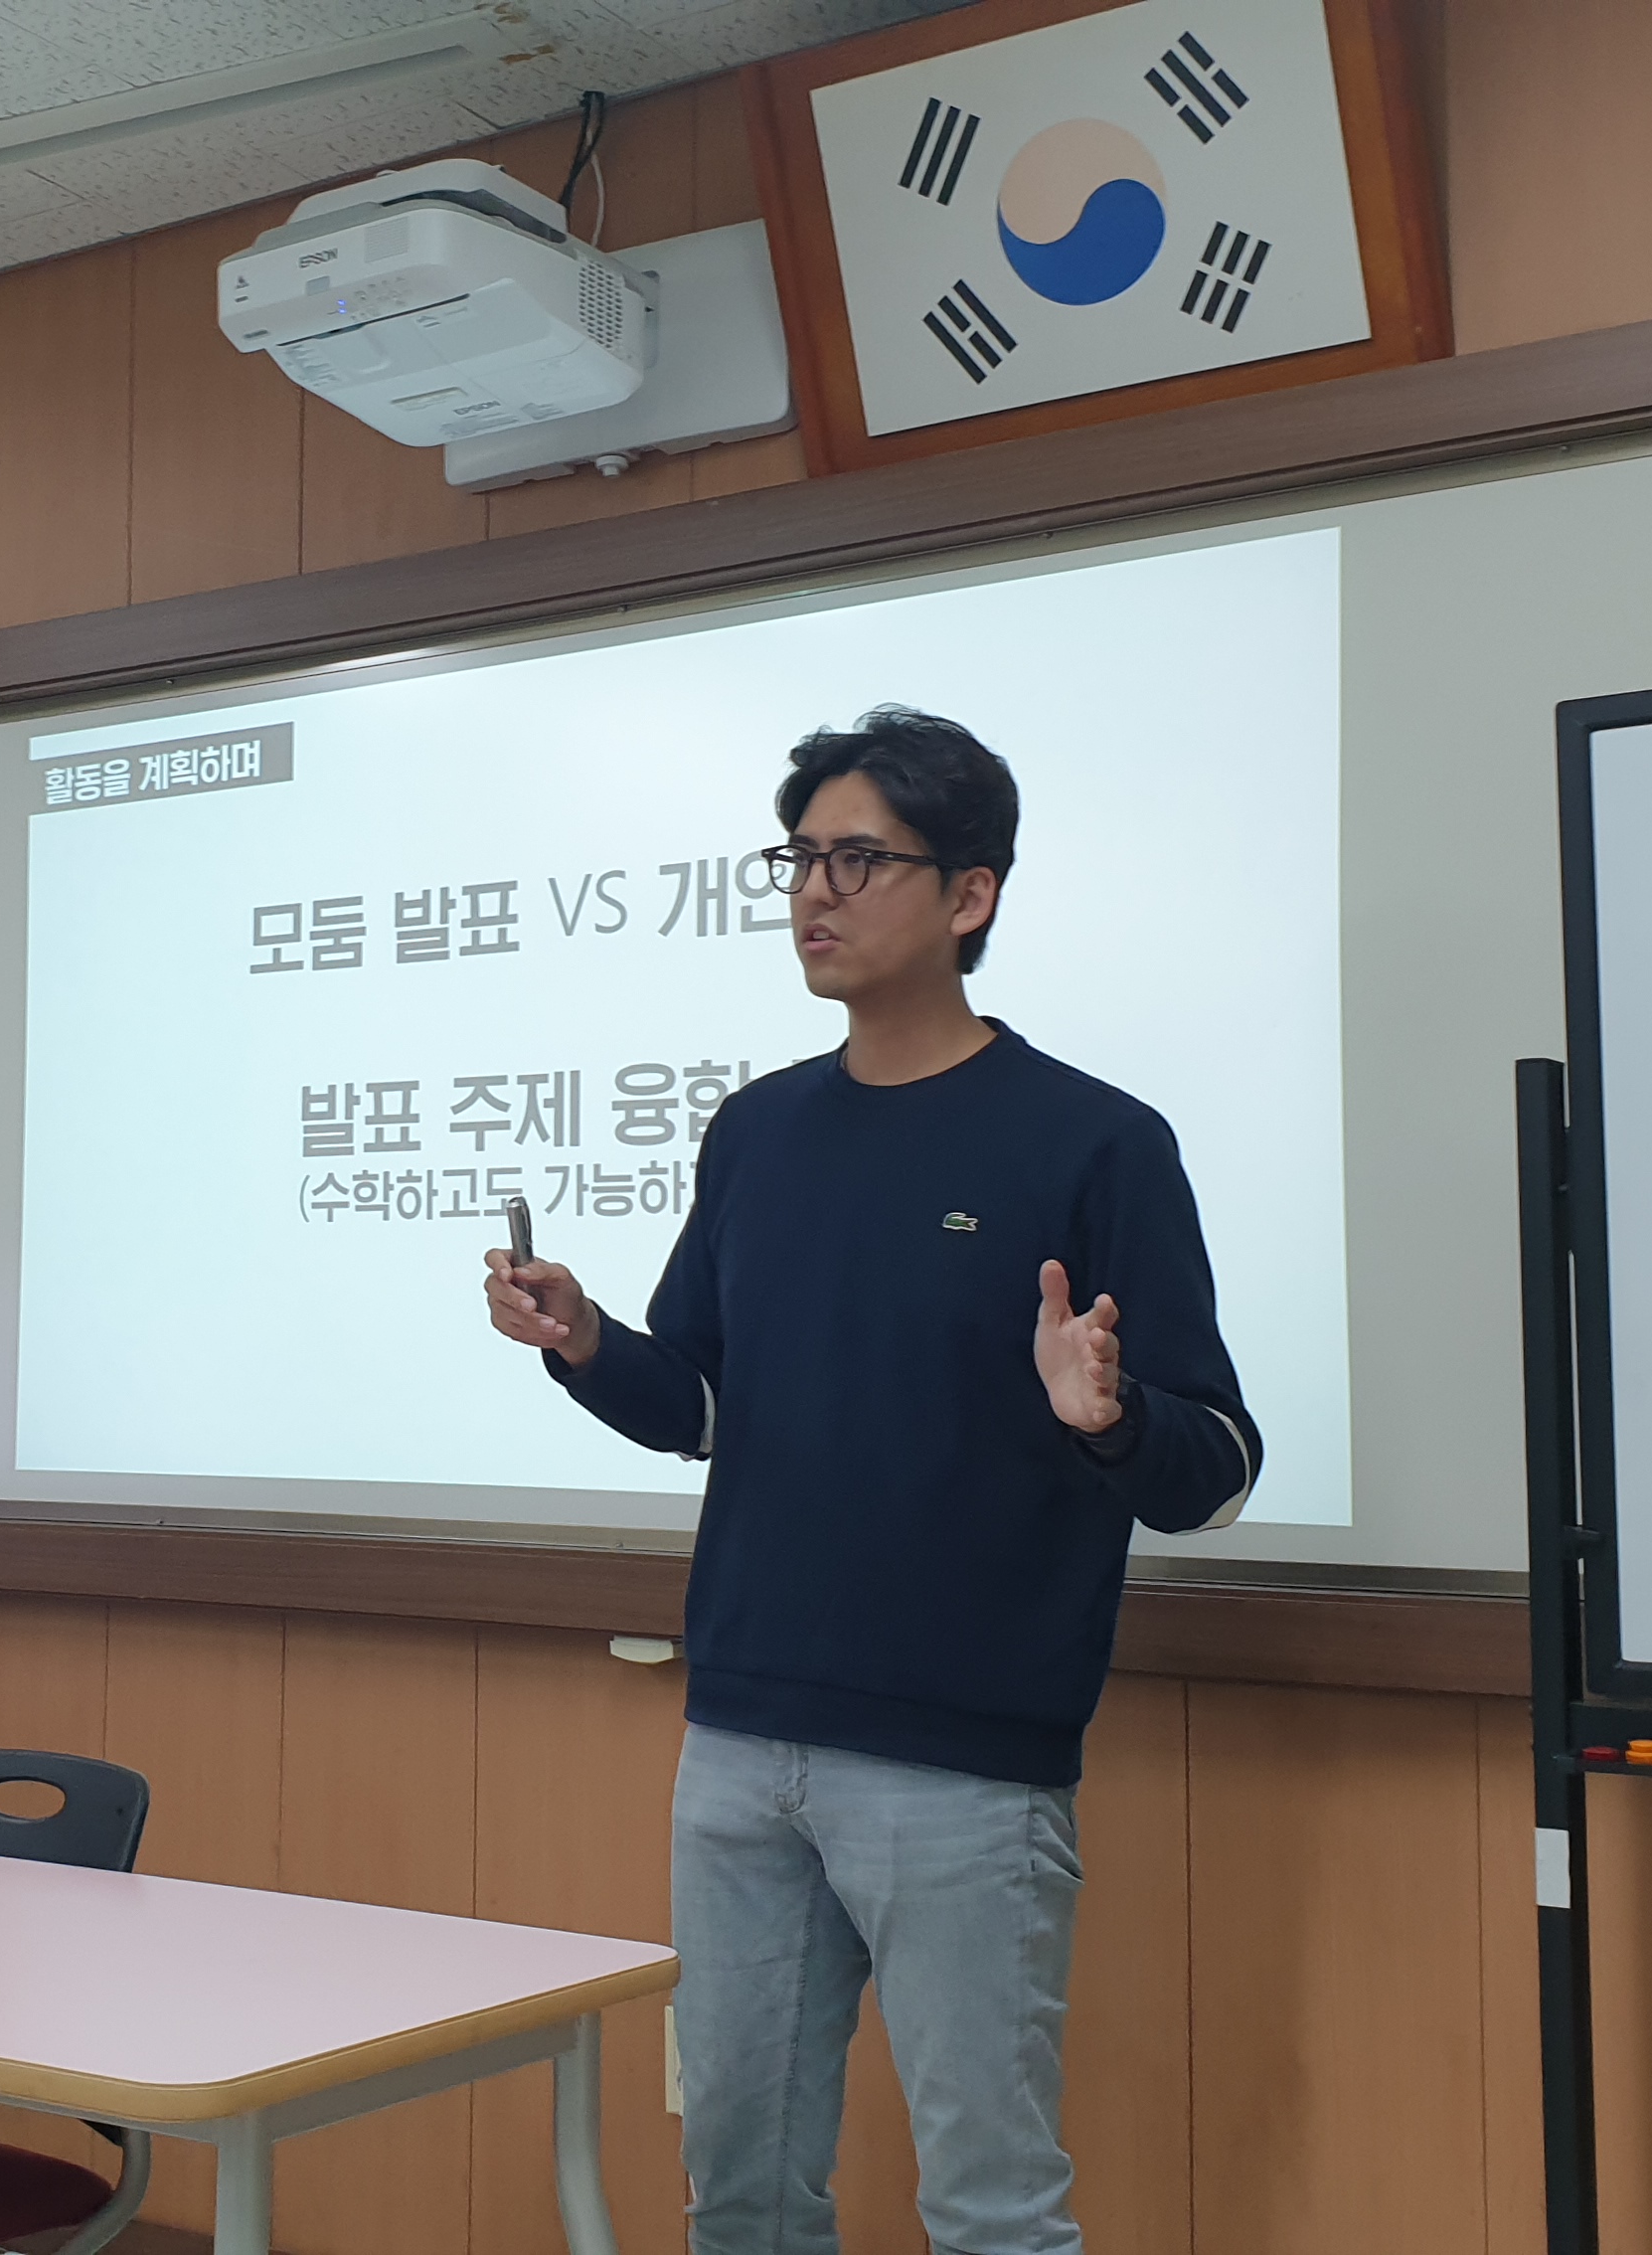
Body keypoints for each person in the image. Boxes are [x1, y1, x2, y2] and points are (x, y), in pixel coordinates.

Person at [480, 706, 1256, 2255]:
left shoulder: (1096, 1142)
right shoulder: (760, 1130)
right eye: (800, 859)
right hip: (742, 1736)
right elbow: (701, 1405)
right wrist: (584, 1343)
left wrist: (1103, 1417)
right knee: (744, 2189)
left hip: (962, 1766)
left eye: (859, 859)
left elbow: (1213, 1468)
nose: (814, 894)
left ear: (968, 896)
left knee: (989, 2202)